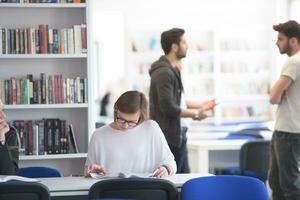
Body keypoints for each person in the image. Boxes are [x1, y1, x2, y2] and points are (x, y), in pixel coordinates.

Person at [149, 28, 216, 173]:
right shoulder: (164, 72)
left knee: (185, 179)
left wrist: (202, 105)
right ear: (174, 47)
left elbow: (179, 101)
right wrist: (196, 114)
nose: (187, 46)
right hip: (169, 138)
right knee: (176, 182)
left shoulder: (172, 70)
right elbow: (168, 106)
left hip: (177, 135)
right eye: (184, 42)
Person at [85, 91, 176, 178]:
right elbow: (88, 172)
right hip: (111, 191)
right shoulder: (98, 135)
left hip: (145, 190)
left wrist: (166, 169)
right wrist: (90, 172)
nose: (125, 126)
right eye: (121, 119)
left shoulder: (151, 128)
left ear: (141, 117)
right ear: (116, 111)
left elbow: (171, 163)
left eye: (131, 122)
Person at [269, 20, 300, 200]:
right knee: (278, 182)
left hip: (288, 132)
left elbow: (273, 97)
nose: (276, 43)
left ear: (293, 41)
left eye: (280, 39)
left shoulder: (293, 62)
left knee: (288, 186)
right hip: (288, 130)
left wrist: (278, 93)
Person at [0, 99, 19, 175]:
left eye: (2, 110)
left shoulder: (10, 134)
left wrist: (2, 139)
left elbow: (9, 174)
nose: (3, 115)